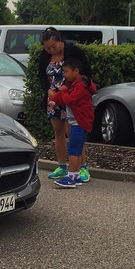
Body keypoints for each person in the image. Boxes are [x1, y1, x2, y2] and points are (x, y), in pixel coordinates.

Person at [37, 27, 92, 182]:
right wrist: (47, 90)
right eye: (47, 48)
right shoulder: (45, 56)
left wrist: (70, 87)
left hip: (70, 98)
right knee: (58, 132)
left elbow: (86, 73)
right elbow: (41, 75)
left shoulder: (74, 52)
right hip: (54, 99)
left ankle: (82, 167)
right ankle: (62, 166)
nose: (50, 50)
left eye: (53, 46)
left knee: (73, 133)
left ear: (60, 41)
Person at [48, 58, 97, 187]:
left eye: (66, 71)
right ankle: (75, 176)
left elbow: (70, 100)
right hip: (77, 122)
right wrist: (54, 98)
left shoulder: (80, 86)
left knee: (74, 150)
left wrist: (62, 93)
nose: (64, 74)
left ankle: (71, 177)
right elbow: (63, 95)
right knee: (76, 148)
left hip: (80, 123)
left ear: (76, 71)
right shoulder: (73, 83)